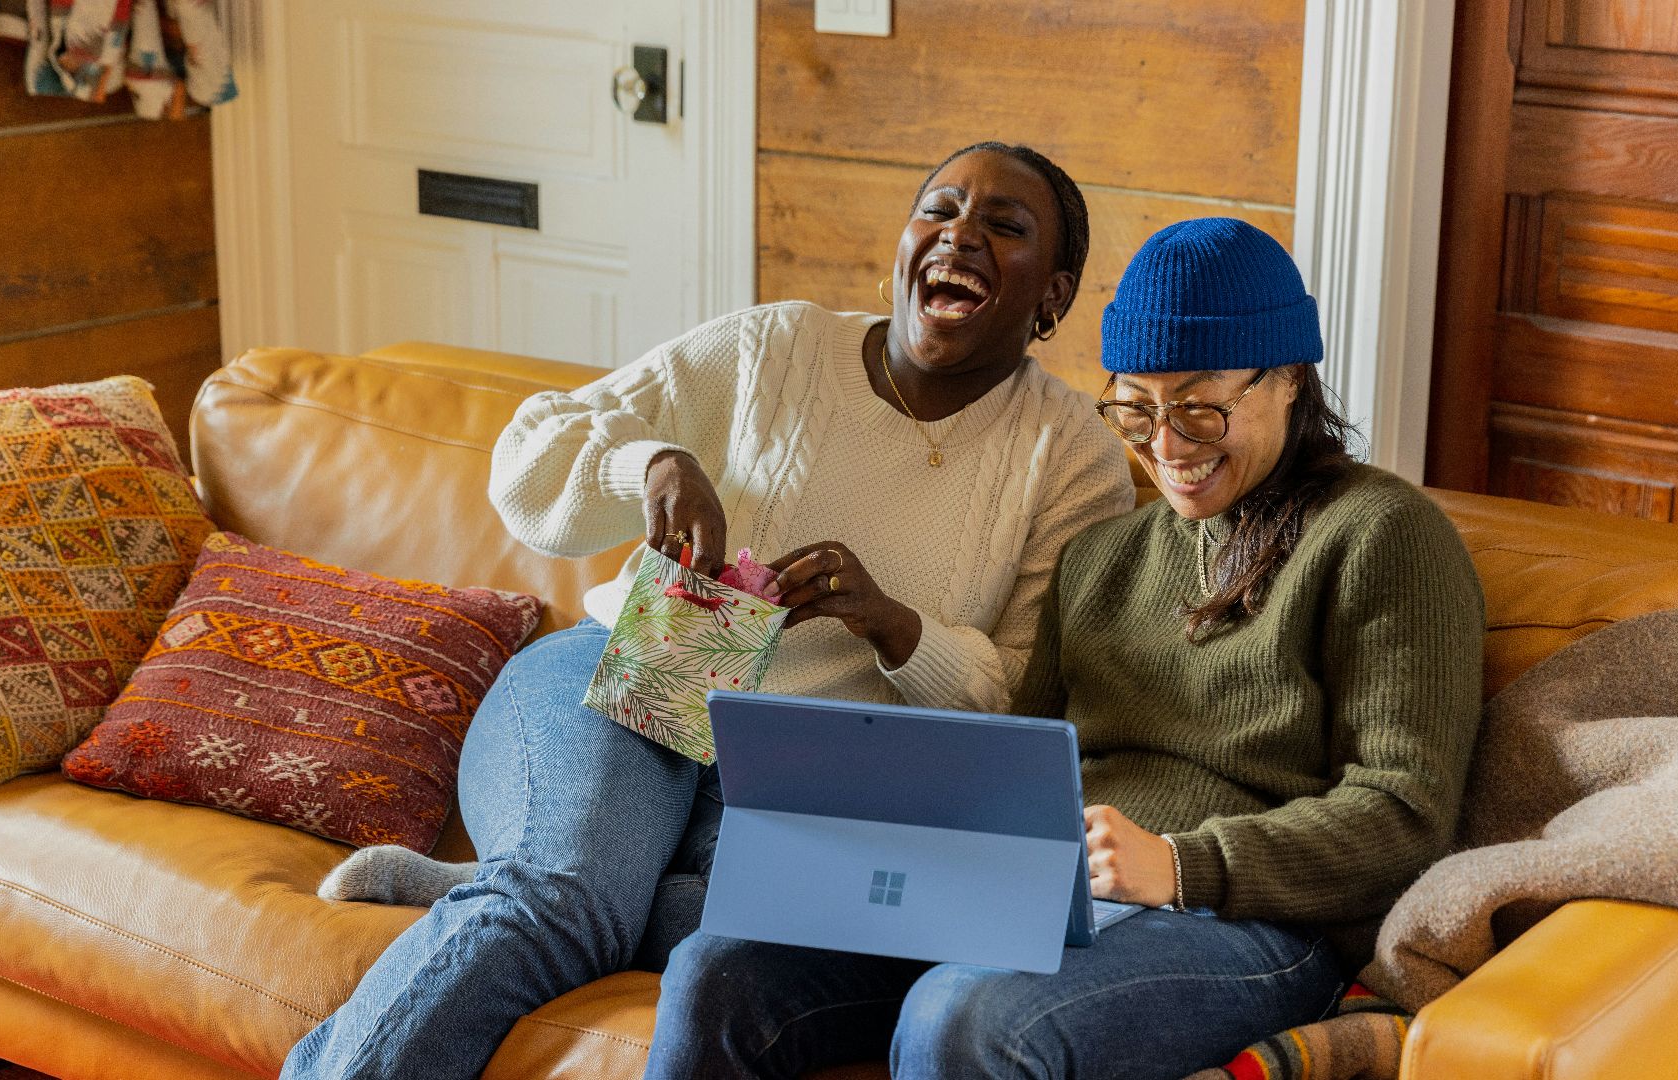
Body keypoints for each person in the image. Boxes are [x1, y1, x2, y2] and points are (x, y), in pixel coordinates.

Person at [279, 142, 1136, 1080]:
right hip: (627, 674)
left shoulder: (1072, 458)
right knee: (560, 904)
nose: (960, 235)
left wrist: (894, 624)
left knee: (735, 929)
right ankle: (536, 885)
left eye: (1003, 227)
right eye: (940, 210)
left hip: (806, 773)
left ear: (1052, 296)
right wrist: (651, 464)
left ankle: (501, 882)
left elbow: (1023, 699)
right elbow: (530, 449)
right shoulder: (778, 348)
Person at [646, 217, 1487, 1079]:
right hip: (1048, 898)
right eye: (1136, 409)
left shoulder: (1383, 535)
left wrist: (1185, 865)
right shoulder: (1100, 558)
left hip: (1252, 922)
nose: (1166, 449)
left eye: (1199, 409)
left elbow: (1405, 814)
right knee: (716, 970)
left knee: (964, 1017)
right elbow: (1018, 768)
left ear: (1288, 380)